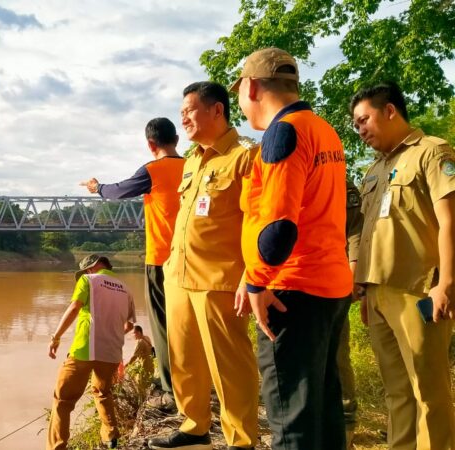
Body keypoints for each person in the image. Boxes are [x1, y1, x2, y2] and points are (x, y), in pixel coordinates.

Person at [232, 47, 352, 450]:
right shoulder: (324, 129)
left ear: (251, 87)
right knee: (322, 409)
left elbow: (279, 229)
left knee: (291, 422)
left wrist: (255, 282)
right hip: (329, 286)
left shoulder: (283, 133)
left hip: (291, 293)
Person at [147, 81, 259, 450]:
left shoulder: (245, 156)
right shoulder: (192, 159)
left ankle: (241, 440)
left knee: (230, 366)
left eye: (190, 111)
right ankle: (195, 427)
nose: (184, 119)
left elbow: (258, 221)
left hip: (220, 278)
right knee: (183, 359)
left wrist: (252, 276)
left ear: (217, 111)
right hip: (178, 275)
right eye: (181, 113)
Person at [350, 81, 455, 450]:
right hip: (377, 294)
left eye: (364, 120)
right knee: (397, 393)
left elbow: (449, 222)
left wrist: (446, 283)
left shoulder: (432, 152)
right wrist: (365, 290)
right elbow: (368, 233)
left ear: (390, 111)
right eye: (356, 125)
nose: (360, 130)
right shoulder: (374, 170)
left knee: (428, 390)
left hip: (418, 290)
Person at [81, 117, 183, 399]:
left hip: (162, 258)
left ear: (151, 145)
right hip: (193, 258)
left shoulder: (154, 169)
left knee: (162, 323)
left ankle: (169, 386)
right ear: (176, 139)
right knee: (190, 322)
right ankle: (198, 378)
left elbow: (118, 191)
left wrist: (97, 187)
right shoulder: (193, 166)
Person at [46, 254, 136, 450]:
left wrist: (56, 337)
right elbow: (128, 326)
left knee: (62, 399)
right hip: (112, 352)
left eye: (87, 270)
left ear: (92, 267)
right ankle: (111, 438)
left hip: (84, 350)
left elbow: (74, 308)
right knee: (103, 392)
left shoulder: (88, 280)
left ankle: (57, 447)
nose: (86, 273)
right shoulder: (126, 289)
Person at [340, 180, 364, 450]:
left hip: (333, 281)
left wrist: (352, 274)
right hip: (295, 283)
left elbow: (355, 230)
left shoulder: (340, 182)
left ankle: (346, 420)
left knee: (336, 352)